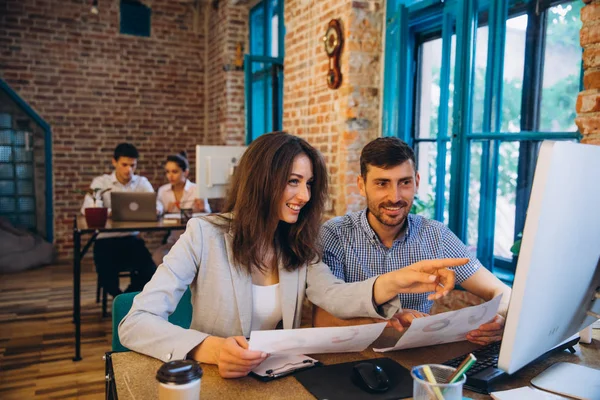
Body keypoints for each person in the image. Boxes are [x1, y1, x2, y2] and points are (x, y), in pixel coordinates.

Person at [119, 132, 467, 378]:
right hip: (213, 379)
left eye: (309, 183)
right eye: (293, 181)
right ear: (262, 180)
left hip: (278, 378)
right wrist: (209, 349)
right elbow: (135, 323)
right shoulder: (203, 234)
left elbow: (334, 295)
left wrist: (395, 281)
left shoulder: (297, 243)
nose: (304, 194)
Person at [314, 137, 512, 346]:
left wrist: (500, 319)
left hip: (418, 359)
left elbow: (502, 292)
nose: (395, 196)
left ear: (417, 182)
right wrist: (388, 321)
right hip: (351, 359)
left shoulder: (436, 235)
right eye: (382, 183)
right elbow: (322, 321)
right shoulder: (334, 234)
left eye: (405, 182)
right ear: (361, 185)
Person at [80, 143, 159, 297]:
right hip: (105, 241)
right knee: (106, 275)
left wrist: (156, 209)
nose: (128, 169)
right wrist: (112, 212)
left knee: (150, 271)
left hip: (131, 240)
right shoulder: (101, 183)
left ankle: (125, 300)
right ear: (114, 162)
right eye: (124, 164)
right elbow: (87, 207)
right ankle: (120, 300)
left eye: (132, 165)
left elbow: (156, 203)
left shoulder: (141, 182)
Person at [152, 151, 211, 266]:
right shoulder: (163, 191)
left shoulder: (196, 189)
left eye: (175, 171)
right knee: (157, 258)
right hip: (174, 241)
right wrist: (165, 212)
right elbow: (158, 215)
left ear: (186, 172)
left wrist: (203, 209)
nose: (170, 176)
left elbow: (209, 216)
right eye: (167, 172)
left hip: (196, 241)